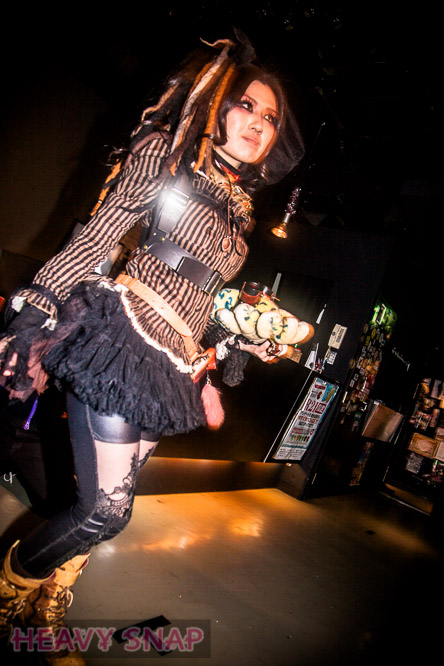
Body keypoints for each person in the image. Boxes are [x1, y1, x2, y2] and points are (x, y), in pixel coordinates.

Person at [0, 32, 304, 664]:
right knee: (106, 511)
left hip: (174, 363)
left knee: (106, 502)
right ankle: (8, 592)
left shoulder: (242, 211)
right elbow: (100, 235)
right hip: (124, 337)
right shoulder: (168, 158)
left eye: (271, 118)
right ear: (218, 106)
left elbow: (203, 295)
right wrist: (35, 306)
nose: (259, 123)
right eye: (247, 105)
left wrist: (239, 339)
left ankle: (49, 607)